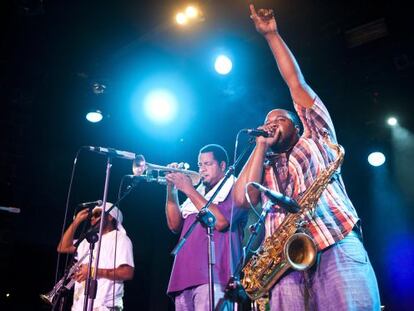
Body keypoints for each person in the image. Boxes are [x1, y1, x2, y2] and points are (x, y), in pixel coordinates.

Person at [232, 4, 381, 310]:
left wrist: (271, 35)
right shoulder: (265, 164)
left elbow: (295, 83)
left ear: (298, 124)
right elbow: (241, 198)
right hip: (285, 263)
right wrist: (261, 146)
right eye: (267, 121)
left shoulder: (317, 138)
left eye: (280, 119)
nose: (271, 123)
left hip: (335, 243)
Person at [165, 144, 248, 310]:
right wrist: (171, 188)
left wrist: (188, 188)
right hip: (183, 277)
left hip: (215, 276)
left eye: (208, 164)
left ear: (222, 165)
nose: (202, 169)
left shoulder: (234, 187)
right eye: (200, 165)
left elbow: (221, 221)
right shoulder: (199, 193)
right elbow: (174, 225)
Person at [57, 202, 134, 311]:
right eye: (91, 215)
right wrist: (77, 221)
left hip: (104, 307)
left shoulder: (120, 239)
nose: (92, 218)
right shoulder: (88, 240)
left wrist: (93, 271)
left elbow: (127, 272)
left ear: (110, 216)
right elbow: (62, 247)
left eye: (97, 214)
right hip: (79, 307)